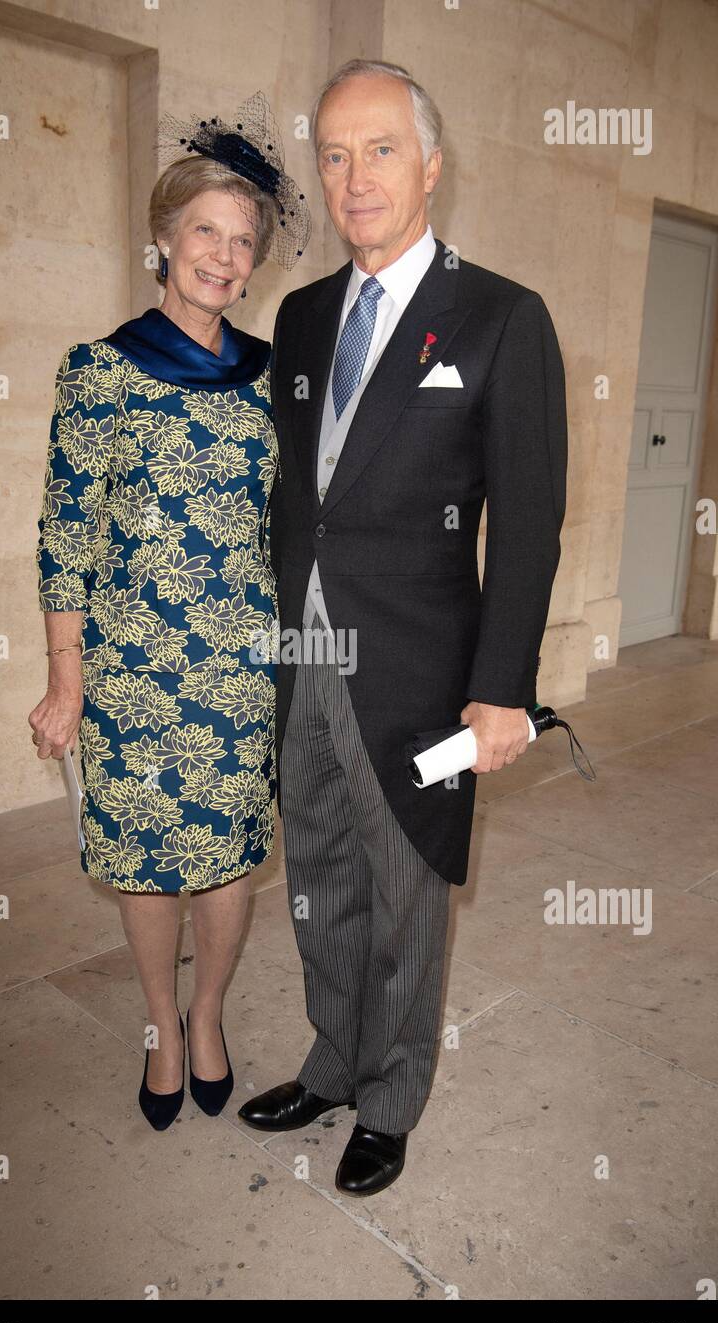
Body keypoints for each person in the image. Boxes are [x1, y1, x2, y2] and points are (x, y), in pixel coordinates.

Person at [238, 60, 568, 1196]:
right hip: (304, 657)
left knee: (403, 892)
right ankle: (333, 1062)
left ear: (430, 165)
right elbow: (293, 498)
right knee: (319, 878)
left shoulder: (498, 316)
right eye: (332, 153)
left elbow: (525, 525)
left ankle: (390, 1096)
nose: (352, 175)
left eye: (378, 148)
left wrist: (500, 690)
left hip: (422, 672)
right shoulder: (300, 315)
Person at [28, 93, 310, 1131]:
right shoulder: (97, 372)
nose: (224, 258)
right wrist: (67, 679)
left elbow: (299, 519)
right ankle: (158, 1020)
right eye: (207, 232)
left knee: (230, 858)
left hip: (237, 671)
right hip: (130, 673)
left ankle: (206, 1014)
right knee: (146, 862)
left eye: (242, 243)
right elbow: (63, 535)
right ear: (163, 237)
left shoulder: (267, 380)